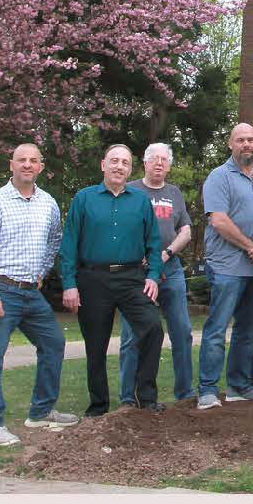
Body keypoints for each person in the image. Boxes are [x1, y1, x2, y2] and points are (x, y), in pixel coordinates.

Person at [0, 144, 70, 444]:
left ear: (41, 166)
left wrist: (42, 271)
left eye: (33, 160)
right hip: (0, 288)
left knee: (54, 343)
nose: (27, 165)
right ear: (11, 165)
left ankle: (41, 411)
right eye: (21, 160)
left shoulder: (47, 203)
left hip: (30, 291)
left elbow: (55, 239)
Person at [59, 142, 168, 419]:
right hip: (93, 279)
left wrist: (153, 276)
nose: (119, 166)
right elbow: (69, 243)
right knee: (96, 345)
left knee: (153, 328)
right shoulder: (84, 199)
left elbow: (154, 243)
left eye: (125, 163)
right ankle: (98, 407)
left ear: (130, 169)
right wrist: (69, 283)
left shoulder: (140, 201)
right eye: (114, 161)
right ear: (103, 165)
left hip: (132, 278)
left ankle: (145, 397)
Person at [193, 122, 253, 407]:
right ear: (230, 144)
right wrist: (249, 245)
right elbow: (218, 219)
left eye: (251, 140)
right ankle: (207, 389)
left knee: (248, 330)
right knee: (218, 328)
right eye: (240, 140)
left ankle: (240, 386)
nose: (246, 145)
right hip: (227, 265)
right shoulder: (219, 177)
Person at [121, 142, 197, 409]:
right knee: (133, 335)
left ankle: (185, 394)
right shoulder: (130, 190)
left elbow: (186, 230)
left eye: (164, 159)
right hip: (137, 274)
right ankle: (128, 398)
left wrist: (165, 253)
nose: (159, 163)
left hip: (171, 270)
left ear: (169, 164)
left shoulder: (174, 193)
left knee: (182, 332)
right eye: (154, 159)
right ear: (145, 162)